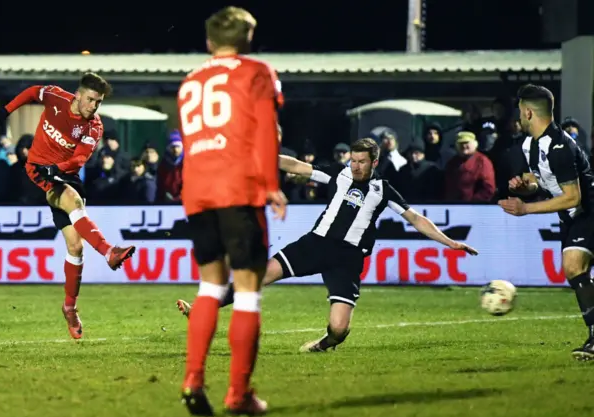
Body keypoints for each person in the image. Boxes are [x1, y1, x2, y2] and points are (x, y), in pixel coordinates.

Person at [177, 137, 479, 353]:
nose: (356, 166)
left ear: (374, 162)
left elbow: (416, 219)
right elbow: (296, 166)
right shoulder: (340, 174)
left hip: (347, 259)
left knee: (338, 329)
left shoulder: (383, 190)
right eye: (353, 160)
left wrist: (449, 242)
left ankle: (323, 345)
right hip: (315, 243)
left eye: (362, 161)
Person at [177, 6, 287, 417]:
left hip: (198, 190)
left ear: (209, 42)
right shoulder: (256, 72)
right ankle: (238, 394)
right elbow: (264, 128)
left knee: (209, 286)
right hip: (238, 189)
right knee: (246, 292)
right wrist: (271, 184)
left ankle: (192, 378)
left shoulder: (189, 82)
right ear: (249, 39)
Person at [0, 73, 136, 340]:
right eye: (91, 99)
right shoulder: (56, 97)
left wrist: (56, 169)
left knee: (76, 246)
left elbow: (79, 159)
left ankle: (69, 307)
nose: (94, 106)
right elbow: (33, 91)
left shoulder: (94, 128)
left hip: (62, 173)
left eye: (99, 102)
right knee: (72, 200)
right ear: (78, 95)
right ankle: (108, 251)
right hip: (37, 170)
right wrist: (6, 110)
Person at [499, 84, 594, 361]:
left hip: (587, 211)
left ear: (528, 112)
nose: (518, 116)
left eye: (519, 111)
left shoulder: (560, 146)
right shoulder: (531, 144)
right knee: (576, 270)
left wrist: (525, 208)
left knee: (574, 265)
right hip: (574, 217)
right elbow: (542, 180)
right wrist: (524, 186)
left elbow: (572, 197)